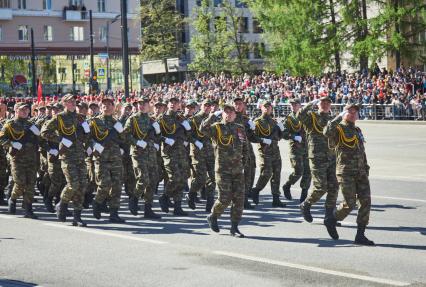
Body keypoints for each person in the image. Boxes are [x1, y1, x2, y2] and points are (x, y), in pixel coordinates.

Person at [323, 103, 375, 245]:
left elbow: (361, 150)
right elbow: (326, 132)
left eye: (355, 111)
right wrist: (337, 117)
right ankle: (331, 220)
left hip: (361, 172)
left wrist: (366, 167)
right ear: (344, 113)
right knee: (349, 203)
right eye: (349, 111)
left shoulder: (357, 129)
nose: (353, 114)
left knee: (366, 201)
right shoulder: (339, 128)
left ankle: (360, 235)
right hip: (346, 172)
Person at [41, 94, 90, 226]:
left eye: (74, 101)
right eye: (70, 101)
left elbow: (86, 138)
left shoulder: (81, 118)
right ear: (64, 103)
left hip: (80, 156)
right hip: (67, 156)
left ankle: (77, 216)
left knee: (82, 185)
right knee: (73, 184)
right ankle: (62, 204)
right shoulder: (59, 117)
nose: (73, 103)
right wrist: (61, 139)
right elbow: (44, 132)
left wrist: (86, 132)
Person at [200, 103, 246, 238]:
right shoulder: (216, 128)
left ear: (235, 115)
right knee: (224, 198)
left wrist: (244, 164)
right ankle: (213, 215)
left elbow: (245, 148)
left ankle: (234, 227)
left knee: (239, 199)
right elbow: (203, 129)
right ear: (222, 114)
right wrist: (212, 116)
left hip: (238, 170)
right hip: (223, 170)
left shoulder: (240, 128)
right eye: (226, 112)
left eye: (231, 112)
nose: (229, 114)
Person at [297, 96, 339, 240]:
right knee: (321, 187)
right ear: (318, 104)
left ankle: (329, 217)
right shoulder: (311, 117)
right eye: (323, 102)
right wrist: (312, 102)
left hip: (332, 157)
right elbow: (299, 115)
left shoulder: (332, 120)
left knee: (334, 187)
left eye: (328, 102)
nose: (325, 104)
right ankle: (306, 204)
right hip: (316, 157)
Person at [90, 96, 126, 223]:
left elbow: (123, 139)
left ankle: (114, 213)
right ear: (101, 107)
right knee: (104, 184)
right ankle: (97, 202)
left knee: (117, 186)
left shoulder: (117, 122)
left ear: (113, 107)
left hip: (115, 157)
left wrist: (121, 133)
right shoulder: (94, 121)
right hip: (101, 158)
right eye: (104, 104)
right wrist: (94, 145)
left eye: (109, 104)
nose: (106, 106)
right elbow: (87, 137)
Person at [0, 102, 39, 219]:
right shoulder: (10, 124)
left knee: (31, 184)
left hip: (31, 158)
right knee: (20, 183)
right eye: (22, 110)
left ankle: (28, 208)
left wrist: (39, 133)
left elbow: (39, 139)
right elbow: (2, 138)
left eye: (27, 110)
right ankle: (13, 198)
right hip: (17, 159)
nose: (25, 112)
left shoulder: (32, 124)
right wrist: (12, 144)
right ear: (16, 111)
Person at [124, 97, 161, 219]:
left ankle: (148, 208)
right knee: (143, 179)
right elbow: (125, 135)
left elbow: (157, 136)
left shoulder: (152, 120)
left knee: (152, 180)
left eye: (144, 104)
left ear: (149, 105)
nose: (142, 106)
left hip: (151, 153)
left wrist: (157, 132)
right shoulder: (133, 119)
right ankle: (134, 198)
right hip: (138, 153)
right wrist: (136, 142)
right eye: (140, 104)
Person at [157, 97, 190, 216]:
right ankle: (165, 197)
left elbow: (188, 134)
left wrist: (188, 128)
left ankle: (177, 206)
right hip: (169, 152)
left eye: (175, 102)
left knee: (182, 179)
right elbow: (155, 134)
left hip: (181, 152)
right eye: (171, 102)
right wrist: (165, 139)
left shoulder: (181, 118)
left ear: (179, 105)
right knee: (174, 178)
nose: (173, 104)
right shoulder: (162, 118)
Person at [251, 100, 286, 208]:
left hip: (275, 151)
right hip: (264, 152)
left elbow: (279, 137)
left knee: (277, 174)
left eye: (269, 107)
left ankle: (276, 199)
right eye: (265, 107)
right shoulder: (257, 122)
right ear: (261, 108)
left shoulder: (274, 122)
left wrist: (281, 129)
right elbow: (252, 137)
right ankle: (256, 190)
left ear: (271, 108)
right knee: (266, 173)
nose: (267, 108)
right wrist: (263, 140)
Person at [186, 99, 216, 212]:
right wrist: (195, 142)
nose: (207, 108)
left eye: (210, 106)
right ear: (200, 106)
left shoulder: (214, 118)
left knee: (213, 177)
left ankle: (210, 202)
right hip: (198, 152)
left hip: (211, 152)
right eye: (205, 105)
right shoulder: (194, 119)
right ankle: (191, 193)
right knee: (201, 177)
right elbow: (187, 135)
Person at [281, 98, 311, 202]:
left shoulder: (307, 116)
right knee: (298, 171)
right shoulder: (289, 119)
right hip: (295, 149)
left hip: (307, 148)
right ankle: (287, 186)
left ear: (300, 105)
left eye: (295, 104)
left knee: (308, 172)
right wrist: (293, 137)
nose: (293, 106)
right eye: (292, 104)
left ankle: (304, 194)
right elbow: (283, 134)